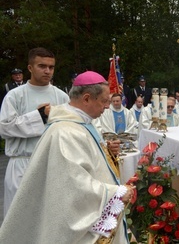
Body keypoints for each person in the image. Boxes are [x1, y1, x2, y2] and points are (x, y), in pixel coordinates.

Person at [0, 71, 134, 243]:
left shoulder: (81, 123)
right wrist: (116, 192)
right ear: (86, 99)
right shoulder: (65, 132)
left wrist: (108, 152)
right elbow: (73, 185)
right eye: (104, 101)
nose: (107, 106)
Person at [0, 47, 69, 215]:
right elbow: (5, 127)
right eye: (42, 66)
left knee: (50, 216)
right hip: (22, 163)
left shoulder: (62, 97)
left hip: (52, 163)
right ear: (30, 68)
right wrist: (40, 116)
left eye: (51, 67)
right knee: (19, 217)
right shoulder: (15, 96)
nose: (47, 71)